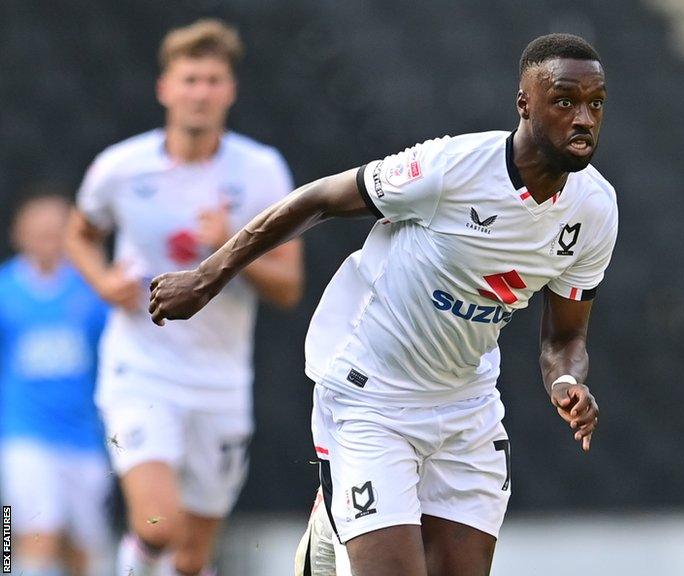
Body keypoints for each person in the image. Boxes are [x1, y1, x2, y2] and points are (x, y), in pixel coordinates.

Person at [150, 33, 615, 576]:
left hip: (466, 406)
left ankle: (333, 517)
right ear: (525, 104)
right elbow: (320, 198)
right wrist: (207, 278)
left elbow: (564, 339)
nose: (583, 117)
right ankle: (335, 518)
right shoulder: (451, 167)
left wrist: (567, 382)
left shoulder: (595, 211)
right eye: (564, 100)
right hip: (370, 394)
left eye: (595, 103)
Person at [64, 19, 304, 576]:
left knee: (191, 558)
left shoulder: (261, 171)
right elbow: (81, 232)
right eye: (189, 79)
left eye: (213, 80)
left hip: (219, 381)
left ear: (230, 91)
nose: (200, 92)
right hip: (141, 372)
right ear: (165, 88)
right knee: (158, 527)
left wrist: (231, 243)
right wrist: (102, 283)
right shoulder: (121, 168)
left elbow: (289, 286)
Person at [0, 192, 110, 576]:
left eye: (56, 232)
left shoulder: (94, 290)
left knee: (84, 546)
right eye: (38, 232)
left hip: (83, 437)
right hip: (24, 436)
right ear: (19, 234)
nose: (47, 240)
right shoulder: (5, 290)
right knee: (28, 532)